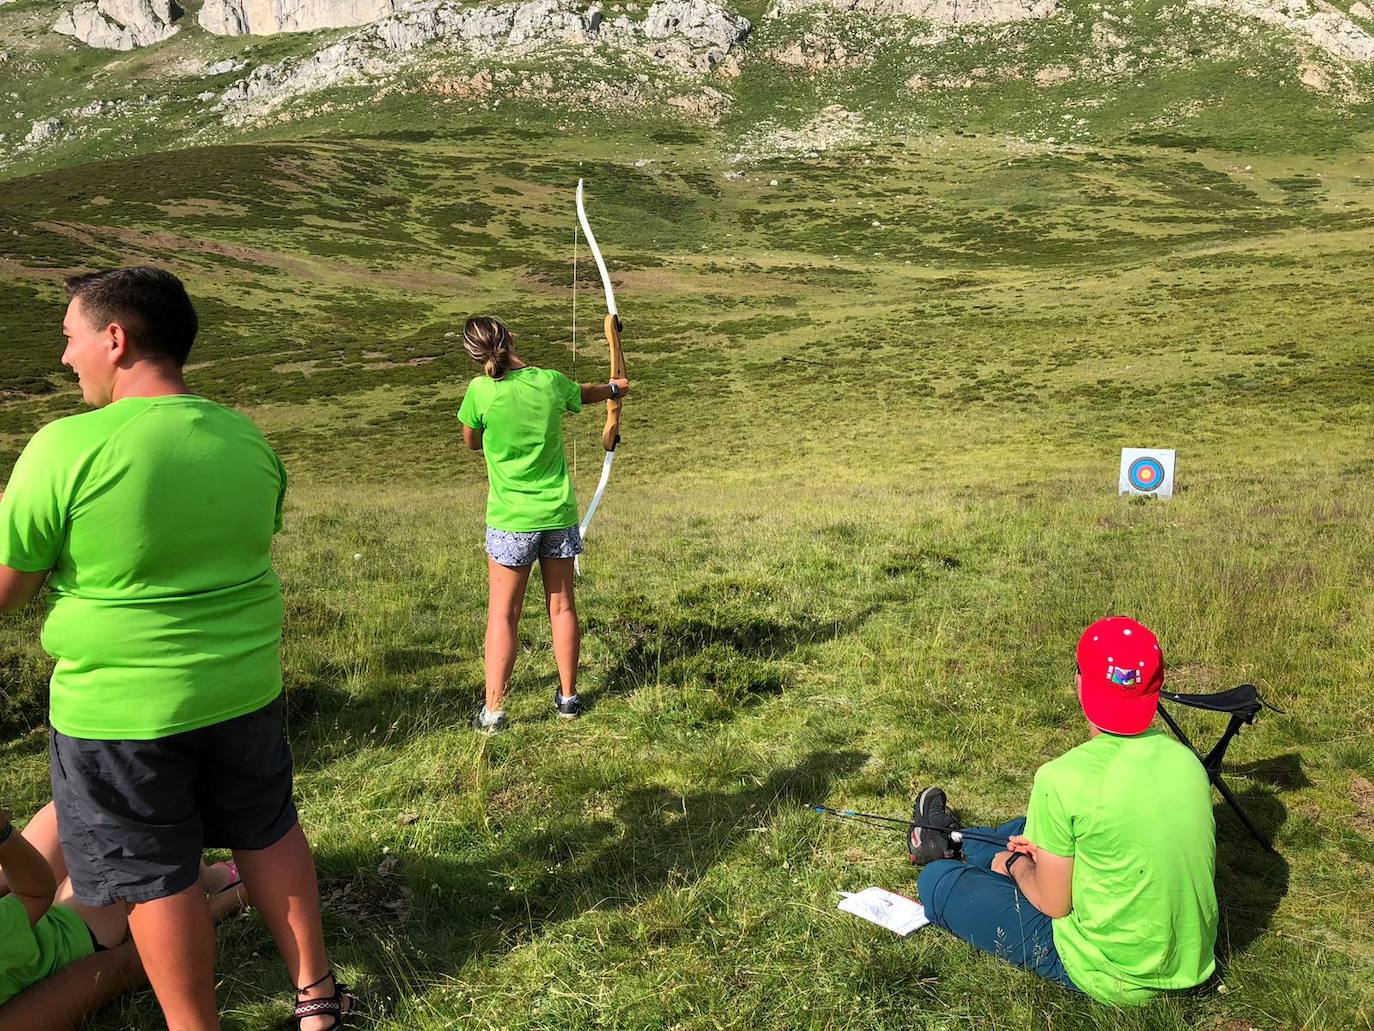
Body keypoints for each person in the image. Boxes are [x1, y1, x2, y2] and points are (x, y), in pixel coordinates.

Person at [0, 268, 353, 1030]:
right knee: (267, 825)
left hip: (119, 711)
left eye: (70, 339)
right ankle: (318, 1000)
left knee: (151, 873)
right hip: (243, 685)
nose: (67, 358)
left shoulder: (63, 446)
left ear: (115, 339)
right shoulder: (244, 435)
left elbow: (8, 586)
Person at [908, 616, 1218, 1005]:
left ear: (1080, 683)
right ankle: (957, 839)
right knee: (1027, 827)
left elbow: (1054, 904)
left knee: (936, 882)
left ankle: (950, 851)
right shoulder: (1188, 763)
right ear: (1156, 690)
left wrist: (1015, 864)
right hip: (1189, 962)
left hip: (1110, 973)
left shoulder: (1062, 778)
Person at [457, 315, 630, 731]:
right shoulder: (549, 381)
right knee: (562, 605)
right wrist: (613, 389)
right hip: (557, 514)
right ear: (511, 338)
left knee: (503, 613)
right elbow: (586, 393)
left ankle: (494, 712)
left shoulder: (480, 391)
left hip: (510, 520)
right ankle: (568, 698)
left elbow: (471, 441)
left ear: (476, 355)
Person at [0, 802, 244, 1029]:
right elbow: (123, 965)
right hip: (80, 929)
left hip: (24, 910)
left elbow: (34, 893)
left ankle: (204, 876)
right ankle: (211, 880)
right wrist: (243, 893)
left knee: (85, 793)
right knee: (123, 815)